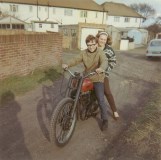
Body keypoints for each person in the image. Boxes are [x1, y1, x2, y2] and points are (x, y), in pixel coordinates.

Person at [62, 34, 108, 131]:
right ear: (86, 45)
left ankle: (105, 119)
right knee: (74, 93)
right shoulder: (84, 53)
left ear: (96, 44)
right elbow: (75, 59)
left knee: (100, 99)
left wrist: (101, 68)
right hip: (87, 77)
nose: (91, 47)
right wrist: (67, 64)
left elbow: (104, 61)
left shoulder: (100, 52)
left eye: (93, 44)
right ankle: (71, 112)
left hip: (97, 78)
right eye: (89, 45)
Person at [96, 31, 119, 120]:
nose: (102, 41)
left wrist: (103, 70)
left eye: (104, 40)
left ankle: (114, 111)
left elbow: (113, 62)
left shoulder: (109, 50)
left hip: (103, 73)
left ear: (107, 40)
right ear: (98, 38)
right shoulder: (94, 46)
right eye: (101, 39)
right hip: (91, 72)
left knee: (107, 91)